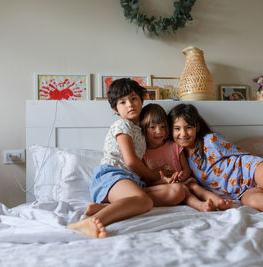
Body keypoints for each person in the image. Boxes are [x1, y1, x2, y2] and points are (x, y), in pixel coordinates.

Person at [67, 79, 186, 238]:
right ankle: (90, 221)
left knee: (177, 192)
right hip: (112, 176)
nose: (130, 104)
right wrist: (156, 175)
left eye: (134, 99)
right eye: (122, 102)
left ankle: (107, 207)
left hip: (132, 181)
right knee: (144, 201)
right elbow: (130, 161)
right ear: (115, 109)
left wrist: (164, 177)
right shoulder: (122, 125)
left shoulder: (140, 131)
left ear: (142, 100)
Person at [139, 103, 233, 212]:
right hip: (165, 187)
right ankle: (201, 206)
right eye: (152, 127)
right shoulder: (144, 154)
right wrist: (164, 181)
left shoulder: (174, 146)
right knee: (184, 190)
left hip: (183, 181)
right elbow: (148, 182)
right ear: (144, 128)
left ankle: (218, 201)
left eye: (163, 126)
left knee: (195, 187)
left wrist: (182, 175)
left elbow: (187, 169)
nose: (159, 131)